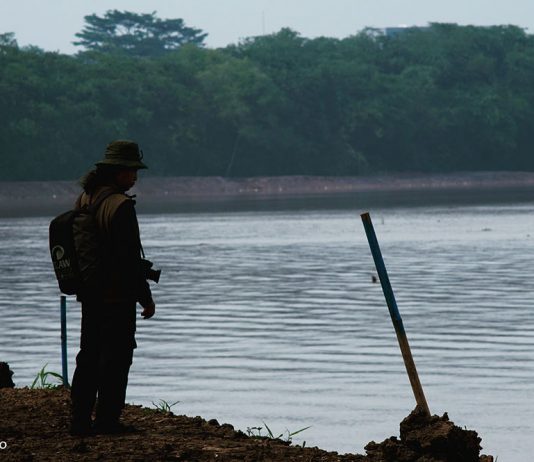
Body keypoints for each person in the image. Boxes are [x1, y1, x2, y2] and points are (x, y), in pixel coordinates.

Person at [70, 140, 156, 436]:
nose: (135, 178)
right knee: (118, 358)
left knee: (89, 356)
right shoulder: (120, 206)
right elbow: (129, 259)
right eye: (132, 171)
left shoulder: (85, 198)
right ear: (118, 172)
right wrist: (146, 298)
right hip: (117, 296)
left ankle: (80, 421)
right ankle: (107, 421)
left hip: (90, 294)